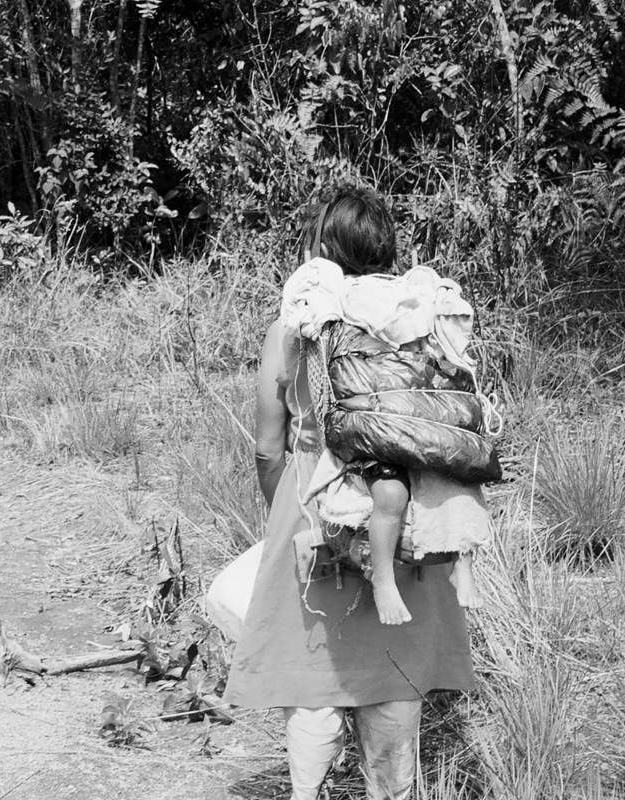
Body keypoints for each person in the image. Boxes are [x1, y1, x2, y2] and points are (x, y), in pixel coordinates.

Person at [223, 187, 476, 800]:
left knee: (313, 681)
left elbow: (267, 446)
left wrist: (286, 511)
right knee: (393, 677)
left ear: (324, 250)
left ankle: (308, 793)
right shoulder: (416, 321)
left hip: (315, 505)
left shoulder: (295, 327)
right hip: (406, 510)